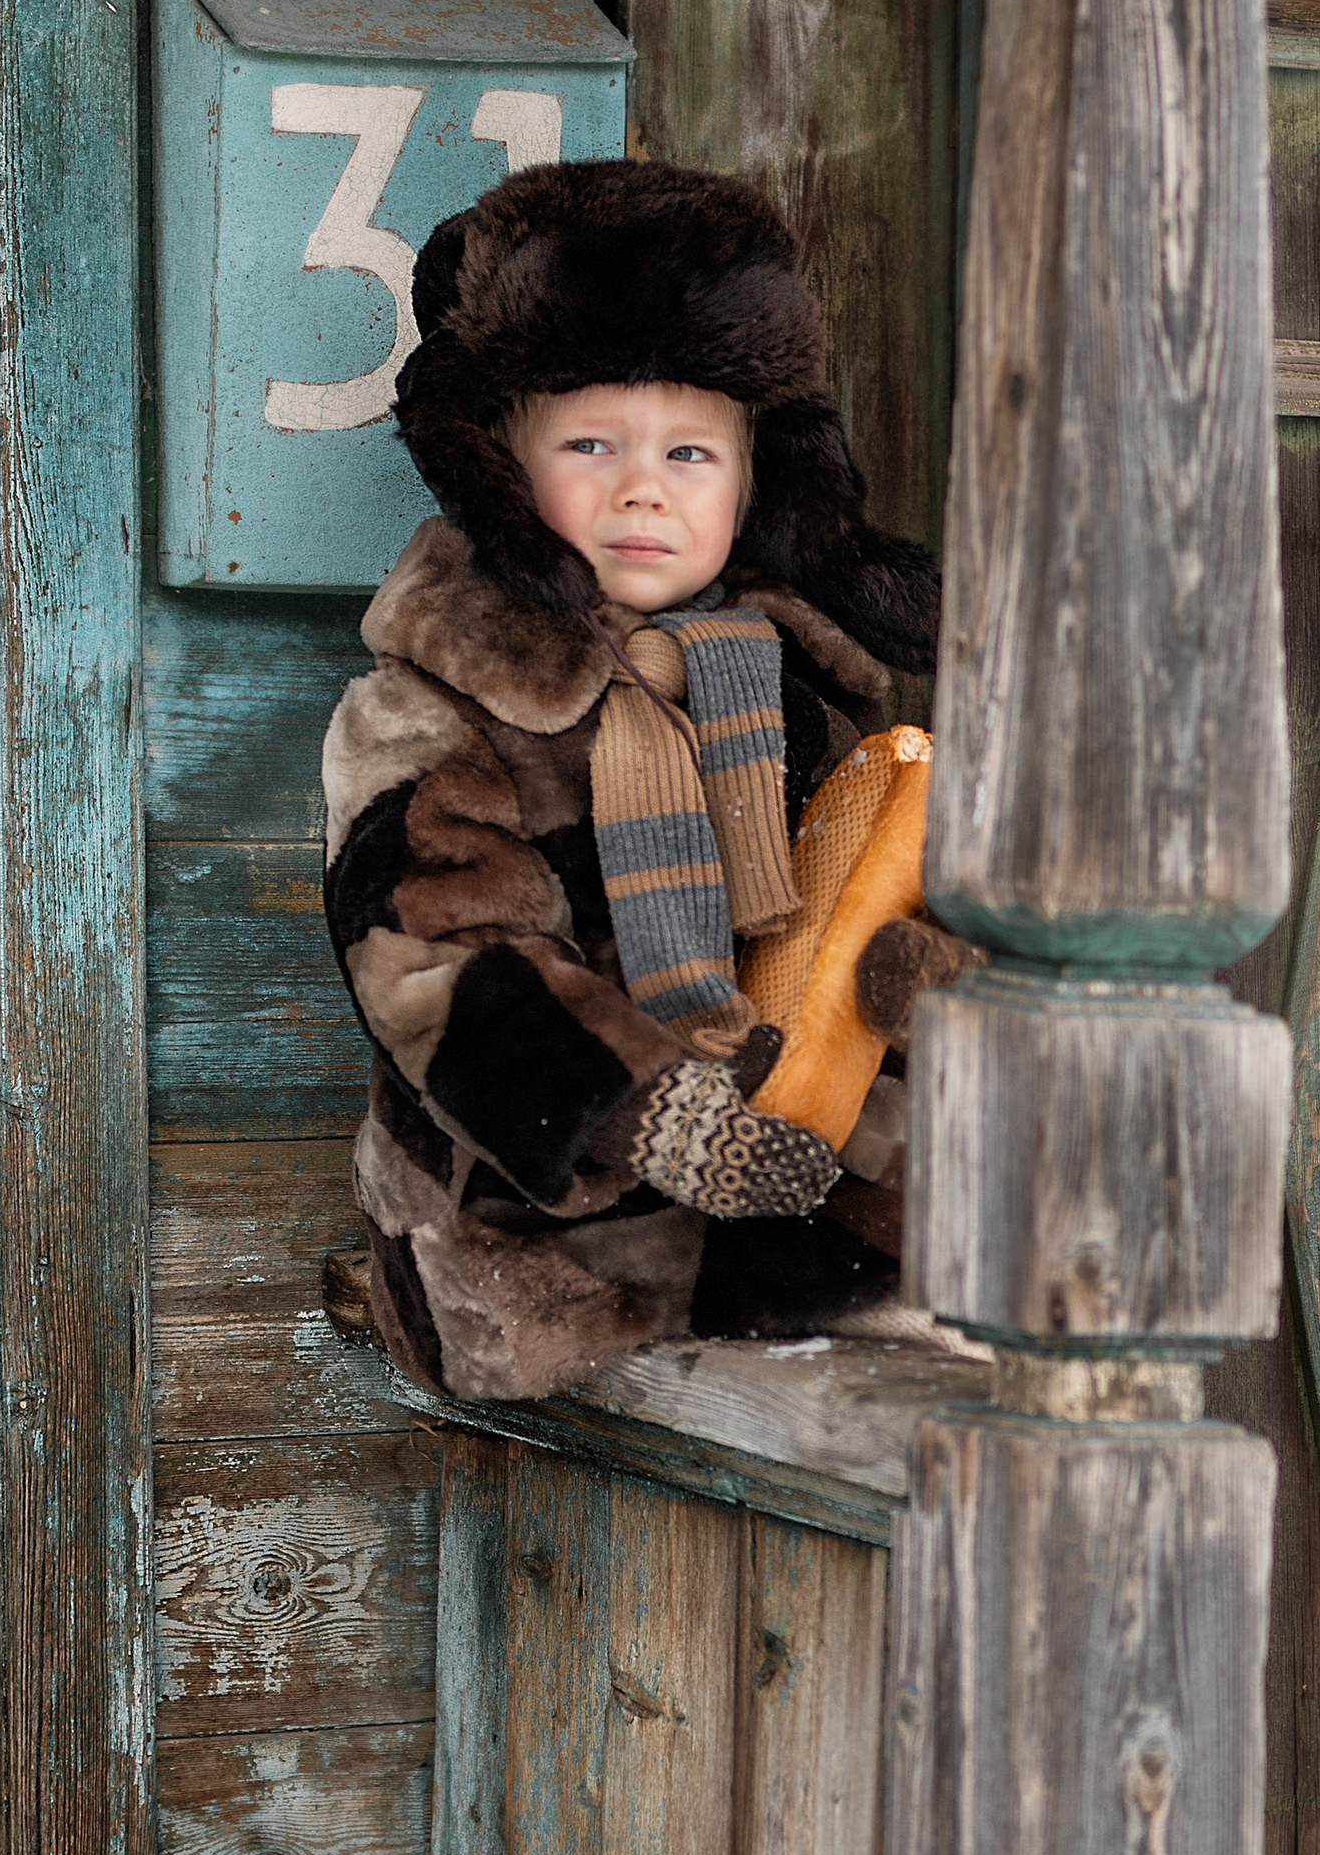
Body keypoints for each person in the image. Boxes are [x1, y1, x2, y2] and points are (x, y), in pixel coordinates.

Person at [320, 156, 959, 1404]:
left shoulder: (772, 687)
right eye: (589, 443)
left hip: (774, 1210)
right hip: (535, 1247)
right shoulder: (434, 706)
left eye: (687, 452)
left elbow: (829, 917)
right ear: (504, 470)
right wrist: (654, 1116)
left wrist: (903, 974)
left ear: (756, 478)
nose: (641, 488)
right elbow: (435, 963)